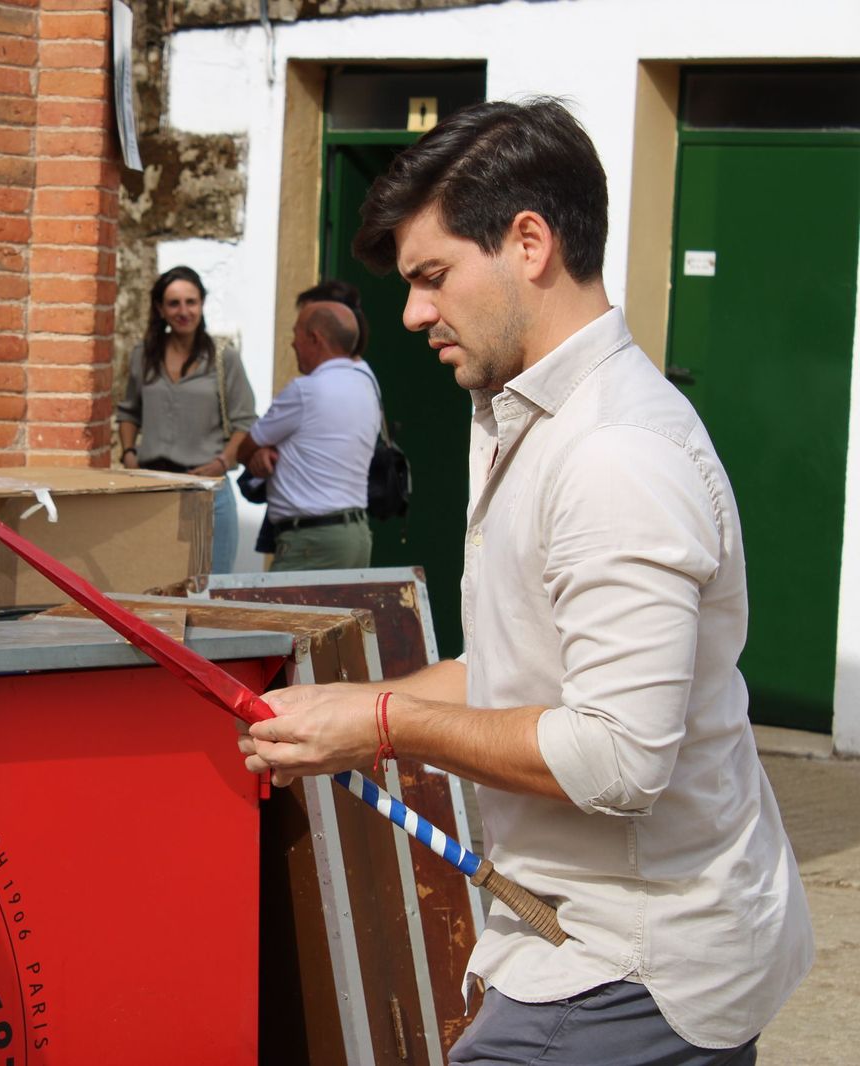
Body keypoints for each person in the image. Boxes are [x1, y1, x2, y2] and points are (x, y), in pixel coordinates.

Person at [239, 98, 811, 1063]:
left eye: (432, 277)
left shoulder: (613, 452)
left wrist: (379, 725)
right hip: (600, 949)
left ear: (530, 243)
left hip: (628, 965)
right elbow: (514, 671)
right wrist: (336, 713)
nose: (413, 313)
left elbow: (616, 759)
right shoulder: (534, 416)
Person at [117, 265, 257, 573]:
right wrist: (128, 453)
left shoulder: (223, 357)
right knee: (152, 582)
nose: (183, 311)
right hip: (154, 490)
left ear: (202, 303)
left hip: (207, 490)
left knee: (210, 585)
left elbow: (245, 421)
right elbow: (129, 412)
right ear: (160, 309)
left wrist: (223, 461)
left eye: (191, 302)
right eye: (174, 303)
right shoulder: (144, 355)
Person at [236, 284, 381, 570]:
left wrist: (260, 451)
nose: (292, 344)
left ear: (315, 339)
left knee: (284, 603)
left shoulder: (305, 391)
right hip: (355, 534)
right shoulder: (366, 382)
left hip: (310, 542)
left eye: (296, 334)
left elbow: (244, 449)